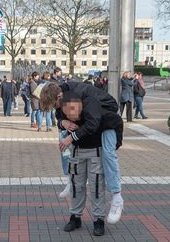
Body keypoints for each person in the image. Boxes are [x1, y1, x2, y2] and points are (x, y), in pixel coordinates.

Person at [40, 82, 124, 225]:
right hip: (91, 126)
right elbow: (59, 117)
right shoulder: (62, 97)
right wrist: (63, 124)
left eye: (55, 105)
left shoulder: (85, 98)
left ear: (59, 96)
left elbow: (92, 124)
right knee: (63, 138)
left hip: (108, 120)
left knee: (108, 154)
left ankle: (117, 196)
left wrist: (71, 137)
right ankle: (70, 181)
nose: (56, 109)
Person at [61, 92, 122, 236]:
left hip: (95, 151)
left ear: (81, 106)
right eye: (67, 112)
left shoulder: (93, 113)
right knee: (77, 186)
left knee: (97, 187)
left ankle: (98, 220)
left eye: (74, 109)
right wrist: (62, 122)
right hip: (77, 152)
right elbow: (59, 120)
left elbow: (101, 126)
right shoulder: (64, 115)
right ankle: (75, 217)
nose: (71, 114)